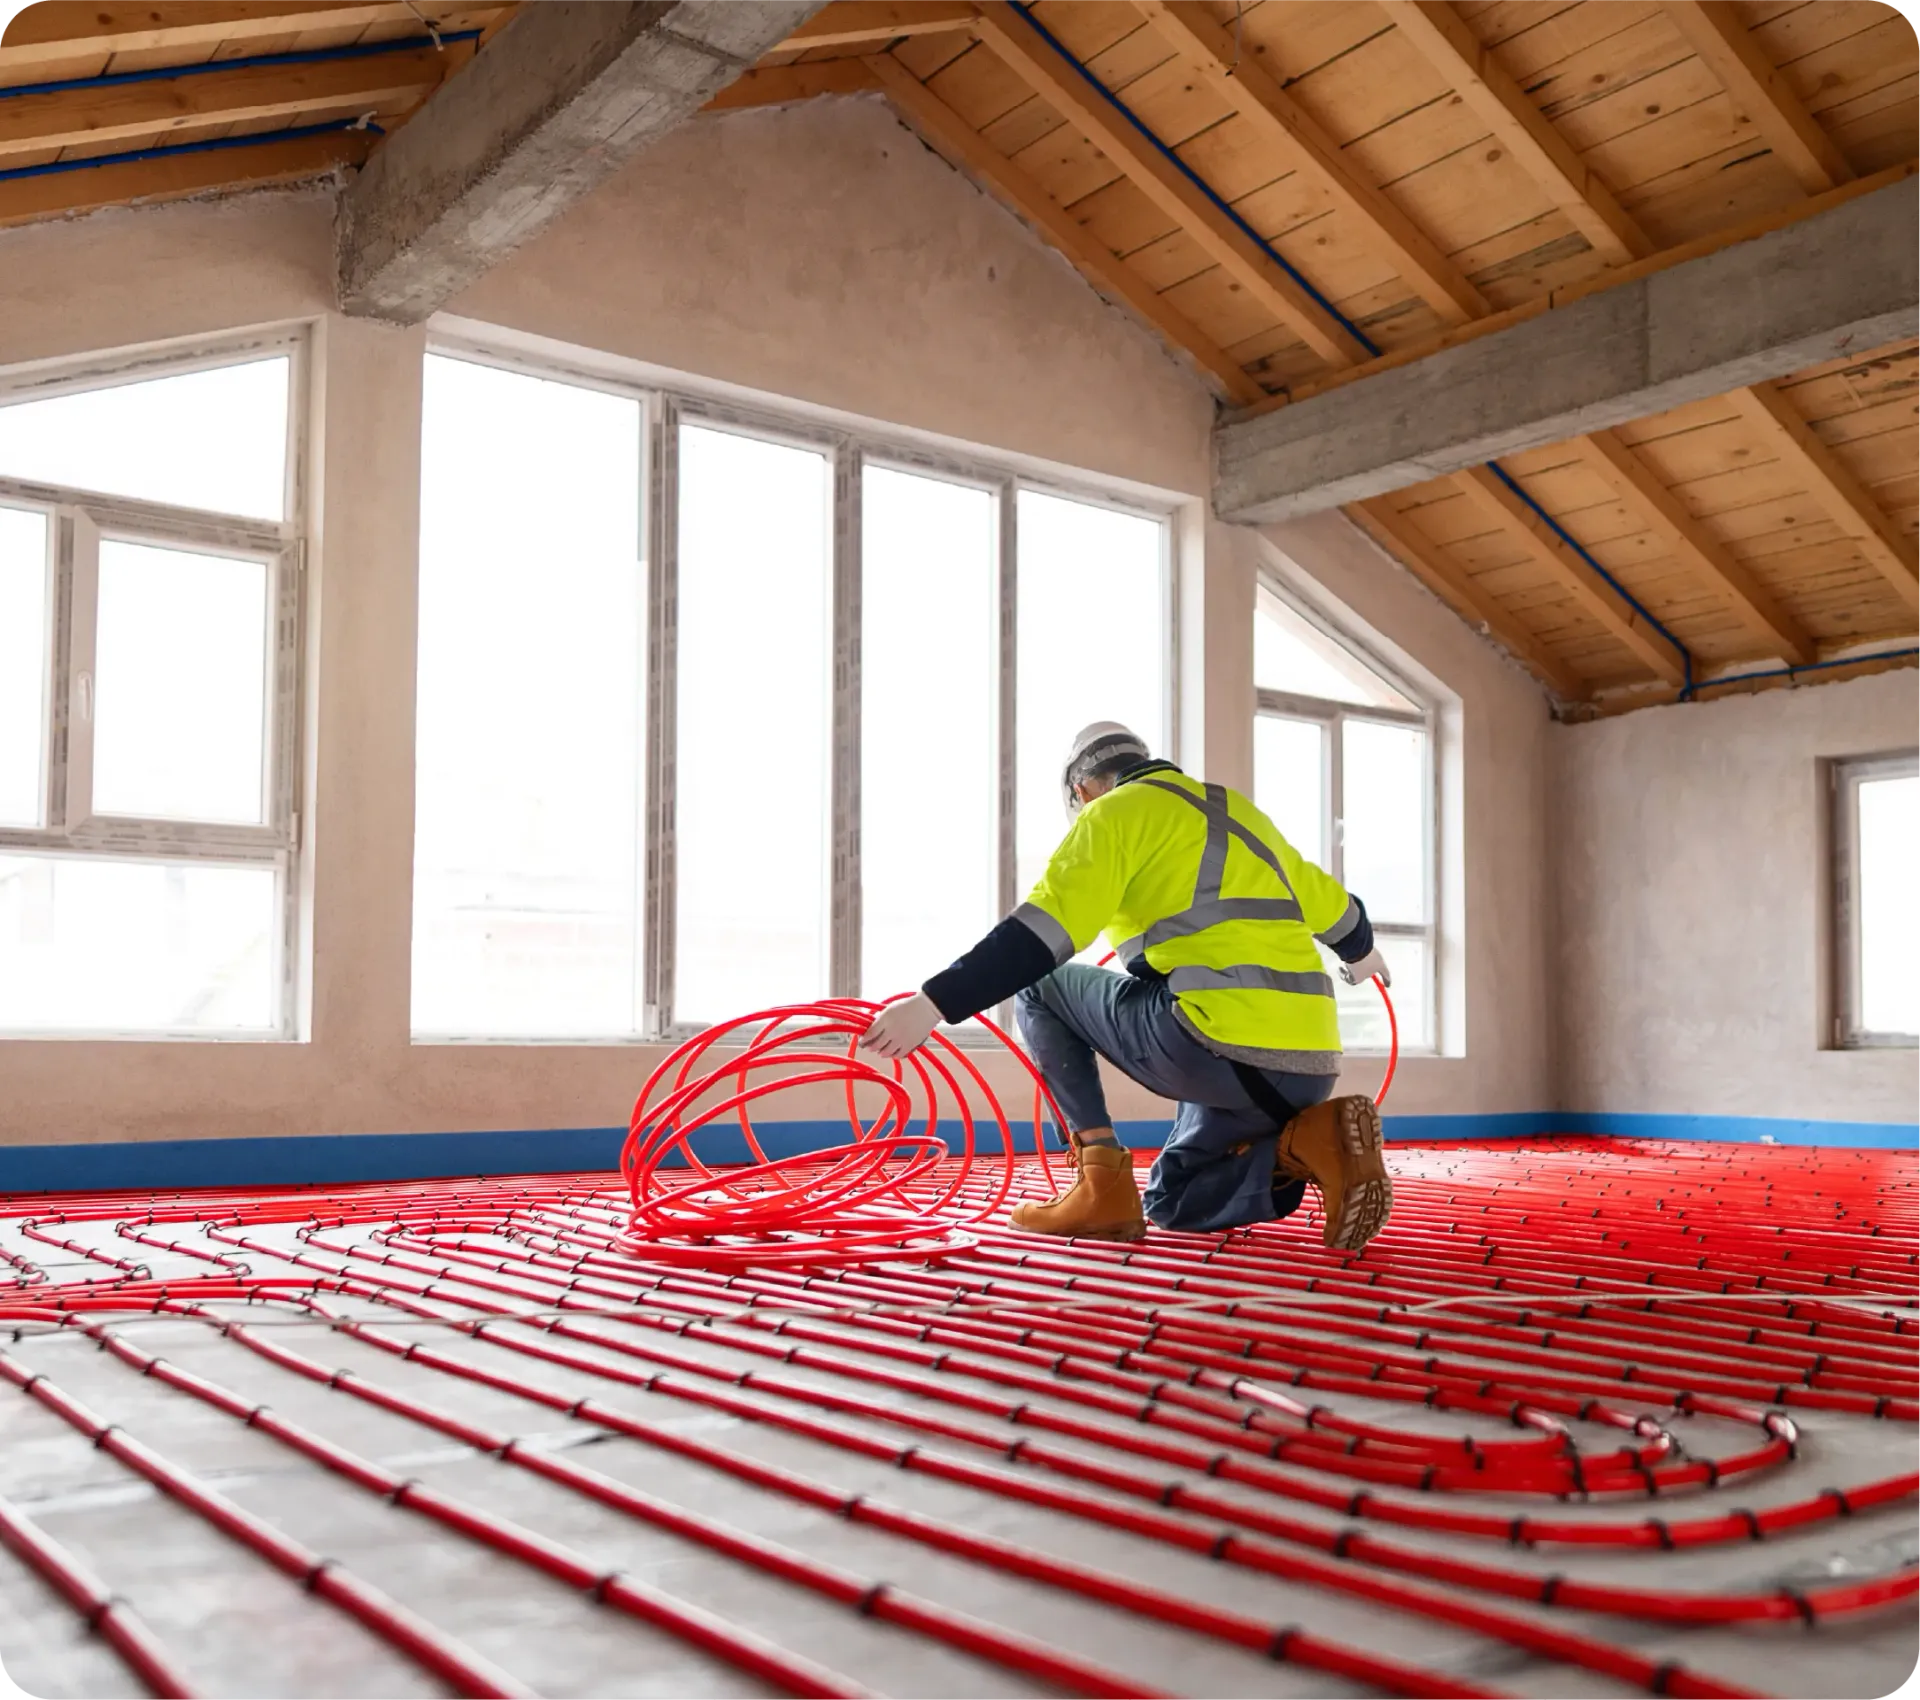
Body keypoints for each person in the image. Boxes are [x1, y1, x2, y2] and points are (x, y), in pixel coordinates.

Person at [860, 722, 1393, 1250]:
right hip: (1312, 1066)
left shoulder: (1113, 813)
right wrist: (1362, 952)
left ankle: (1100, 1183)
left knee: (1041, 987)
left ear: (1081, 789)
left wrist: (932, 1003)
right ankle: (1307, 1143)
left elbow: (1039, 938)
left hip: (1217, 1047)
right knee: (1172, 1200)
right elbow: (1337, 909)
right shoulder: (1236, 810)